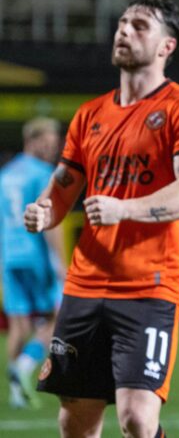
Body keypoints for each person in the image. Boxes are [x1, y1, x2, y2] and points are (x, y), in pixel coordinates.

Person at [24, 0, 179, 438]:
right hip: (84, 286)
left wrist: (124, 208)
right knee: (75, 421)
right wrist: (42, 212)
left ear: (167, 46)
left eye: (140, 26)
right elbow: (61, 191)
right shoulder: (89, 114)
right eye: (123, 23)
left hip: (149, 286)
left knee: (136, 418)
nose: (125, 30)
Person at [1, 117, 65, 408]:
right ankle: (24, 366)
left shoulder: (6, 174)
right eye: (48, 143)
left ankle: (15, 394)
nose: (53, 149)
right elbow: (51, 220)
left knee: (18, 324)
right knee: (58, 316)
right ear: (33, 140)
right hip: (36, 255)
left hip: (9, 255)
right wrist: (61, 262)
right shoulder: (43, 173)